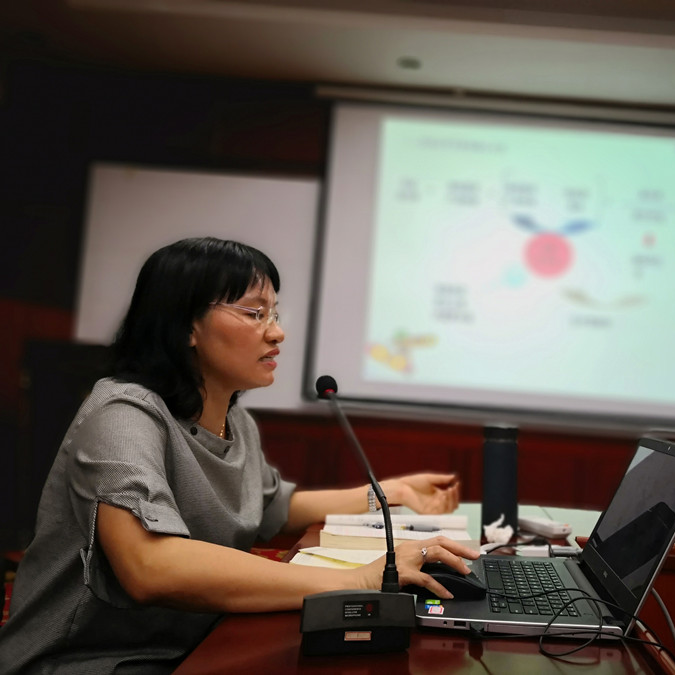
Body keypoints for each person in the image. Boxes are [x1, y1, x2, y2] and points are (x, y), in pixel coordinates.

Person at [0, 237, 478, 674]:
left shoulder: (233, 418)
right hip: (91, 660)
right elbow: (149, 566)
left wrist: (390, 493)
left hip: (192, 642)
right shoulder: (123, 415)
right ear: (185, 325)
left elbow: (273, 507)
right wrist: (360, 580)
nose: (278, 333)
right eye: (255, 313)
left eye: (275, 314)